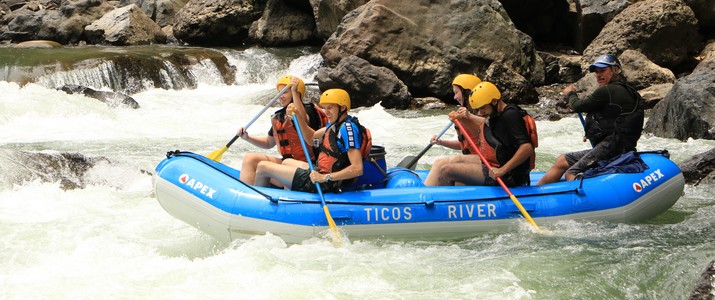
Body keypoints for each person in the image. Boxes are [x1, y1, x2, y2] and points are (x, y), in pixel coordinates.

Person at [537, 54, 644, 185]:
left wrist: (570, 94)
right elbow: (610, 118)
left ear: (616, 70)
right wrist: (591, 132)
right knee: (562, 160)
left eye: (603, 70)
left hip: (612, 146)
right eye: (597, 72)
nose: (599, 75)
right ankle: (538, 192)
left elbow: (578, 106)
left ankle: (579, 202)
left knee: (571, 172)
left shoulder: (608, 91)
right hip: (616, 144)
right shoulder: (627, 91)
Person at [254, 88, 370, 193]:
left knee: (262, 167)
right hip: (321, 172)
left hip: (328, 182)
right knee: (286, 162)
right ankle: (291, 200)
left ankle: (258, 208)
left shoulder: (347, 129)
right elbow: (311, 138)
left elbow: (357, 168)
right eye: (324, 108)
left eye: (330, 107)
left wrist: (325, 177)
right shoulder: (335, 125)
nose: (326, 112)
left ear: (343, 107)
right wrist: (298, 116)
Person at [425, 81, 534, 187]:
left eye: (482, 108)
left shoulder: (510, 115)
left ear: (494, 101)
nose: (481, 113)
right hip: (495, 163)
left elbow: (527, 147)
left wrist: (502, 171)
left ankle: (437, 202)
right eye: (478, 109)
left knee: (446, 170)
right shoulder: (496, 114)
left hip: (508, 174)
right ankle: (426, 194)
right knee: (449, 161)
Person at [236, 75, 326, 185]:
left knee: (280, 164)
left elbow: (301, 118)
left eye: (284, 92)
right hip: (286, 164)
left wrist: (295, 93)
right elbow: (269, 143)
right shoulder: (279, 116)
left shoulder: (308, 110)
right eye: (279, 93)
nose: (280, 96)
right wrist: (248, 138)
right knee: (250, 158)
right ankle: (247, 194)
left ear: (296, 93)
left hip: (308, 166)